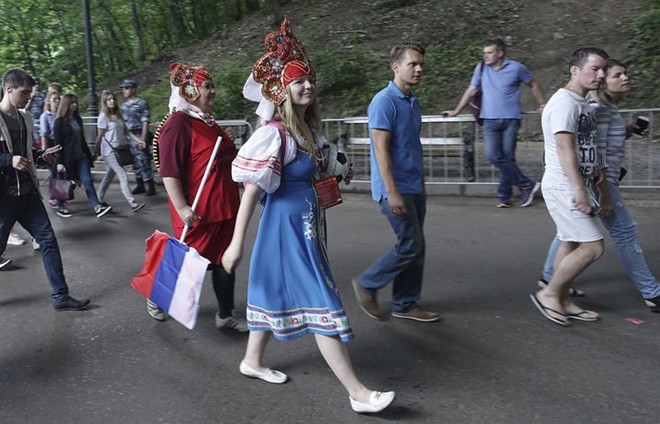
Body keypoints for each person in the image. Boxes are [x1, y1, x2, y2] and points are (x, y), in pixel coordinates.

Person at [222, 18, 395, 414]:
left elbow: (322, 170)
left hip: (307, 227)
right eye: (298, 81)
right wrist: (235, 245)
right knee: (321, 300)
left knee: (274, 293)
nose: (307, 86)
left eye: (309, 81)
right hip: (284, 231)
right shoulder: (274, 135)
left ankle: (252, 361)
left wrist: (336, 169)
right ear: (282, 91)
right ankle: (357, 392)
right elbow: (251, 191)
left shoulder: (308, 134)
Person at [538, 59, 660, 313]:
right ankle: (652, 292)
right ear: (603, 83)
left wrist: (628, 130)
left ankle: (550, 279)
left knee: (570, 233)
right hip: (602, 182)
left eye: (625, 73)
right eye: (618, 75)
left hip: (601, 180)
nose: (625, 78)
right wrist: (604, 194)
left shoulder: (606, 109)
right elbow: (595, 154)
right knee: (622, 234)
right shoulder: (598, 110)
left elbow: (603, 143)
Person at [147, 62, 246, 332]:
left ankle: (225, 314)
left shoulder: (208, 122)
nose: (212, 91)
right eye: (206, 86)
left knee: (226, 260)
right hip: (198, 211)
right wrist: (181, 207)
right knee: (190, 262)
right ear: (190, 91)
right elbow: (169, 169)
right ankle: (158, 295)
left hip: (225, 207)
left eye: (212, 85)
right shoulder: (178, 122)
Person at [352, 43, 439, 323]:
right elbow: (381, 150)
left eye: (421, 64)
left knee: (417, 245)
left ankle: (405, 303)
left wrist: (421, 183)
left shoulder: (412, 101)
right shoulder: (384, 102)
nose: (419, 69)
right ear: (396, 67)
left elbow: (412, 146)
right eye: (413, 64)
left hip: (414, 187)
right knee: (411, 244)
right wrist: (393, 193)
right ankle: (367, 283)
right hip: (395, 190)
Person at [530, 47, 609, 326]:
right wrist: (579, 190)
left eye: (603, 69)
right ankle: (549, 294)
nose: (601, 74)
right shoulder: (565, 103)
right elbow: (565, 150)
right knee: (593, 248)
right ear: (574, 70)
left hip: (577, 183)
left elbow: (584, 145)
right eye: (594, 69)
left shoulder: (582, 102)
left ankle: (562, 298)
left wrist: (594, 173)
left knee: (570, 240)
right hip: (565, 186)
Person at [0, 67, 90, 310]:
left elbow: (28, 153)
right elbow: (10, 157)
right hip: (4, 198)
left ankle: (61, 297)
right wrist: (9, 160)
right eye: (24, 93)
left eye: (30, 93)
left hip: (28, 194)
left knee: (48, 241)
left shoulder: (26, 117)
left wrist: (41, 156)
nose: (29, 98)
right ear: (9, 89)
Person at [443, 38, 546, 208]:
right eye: (484, 53)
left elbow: (533, 84)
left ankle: (504, 196)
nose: (485, 56)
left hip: (511, 119)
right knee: (493, 156)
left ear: (500, 53)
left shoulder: (516, 68)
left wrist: (543, 105)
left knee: (508, 158)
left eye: (489, 53)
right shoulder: (481, 68)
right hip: (489, 120)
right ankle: (526, 184)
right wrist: (456, 110)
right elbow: (472, 89)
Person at [53, 93, 112, 218]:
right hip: (66, 157)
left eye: (75, 103)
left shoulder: (77, 119)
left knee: (87, 180)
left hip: (81, 156)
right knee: (63, 182)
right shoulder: (59, 122)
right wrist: (59, 161)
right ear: (66, 105)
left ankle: (97, 206)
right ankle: (60, 206)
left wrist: (90, 155)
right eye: (72, 103)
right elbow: (57, 143)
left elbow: (82, 139)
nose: (74, 105)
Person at [92, 91, 145, 213]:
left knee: (109, 176)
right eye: (109, 99)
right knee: (122, 174)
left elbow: (127, 131)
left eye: (113, 99)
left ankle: (98, 197)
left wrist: (138, 141)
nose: (112, 101)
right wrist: (95, 153)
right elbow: (99, 136)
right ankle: (132, 202)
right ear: (105, 102)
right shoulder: (103, 117)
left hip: (119, 150)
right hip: (109, 151)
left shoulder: (117, 115)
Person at [119, 79, 156, 196]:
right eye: (123, 88)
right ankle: (140, 184)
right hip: (129, 136)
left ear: (133, 89)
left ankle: (150, 185)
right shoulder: (123, 106)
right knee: (134, 161)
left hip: (139, 134)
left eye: (127, 88)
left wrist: (143, 139)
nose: (124, 91)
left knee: (144, 160)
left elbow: (145, 121)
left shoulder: (141, 103)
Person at [40, 90, 61, 209]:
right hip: (51, 145)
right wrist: (45, 151)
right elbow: (44, 134)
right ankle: (54, 197)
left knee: (59, 172)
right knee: (54, 173)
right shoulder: (45, 116)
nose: (57, 102)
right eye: (55, 99)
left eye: (59, 99)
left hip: (60, 144)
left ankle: (60, 195)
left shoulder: (60, 115)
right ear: (49, 101)